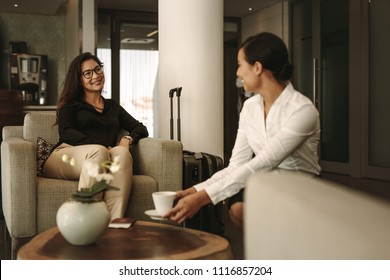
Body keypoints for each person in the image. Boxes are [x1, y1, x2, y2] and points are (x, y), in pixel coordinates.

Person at [164, 32, 321, 231]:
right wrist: (193, 191)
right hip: (266, 183)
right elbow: (237, 164)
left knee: (248, 207)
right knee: (237, 208)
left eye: (240, 64)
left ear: (257, 67)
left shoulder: (302, 111)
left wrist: (202, 199)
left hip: (300, 186)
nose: (237, 72)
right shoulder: (250, 107)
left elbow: (264, 162)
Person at [43, 52, 149, 220]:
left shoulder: (112, 107)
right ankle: (86, 222)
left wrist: (127, 139)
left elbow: (140, 128)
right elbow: (67, 132)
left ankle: (113, 223)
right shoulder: (71, 105)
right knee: (99, 152)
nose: (95, 75)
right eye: (88, 73)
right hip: (64, 156)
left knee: (122, 153)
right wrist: (102, 145)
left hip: (102, 155)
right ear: (79, 80)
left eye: (97, 69)